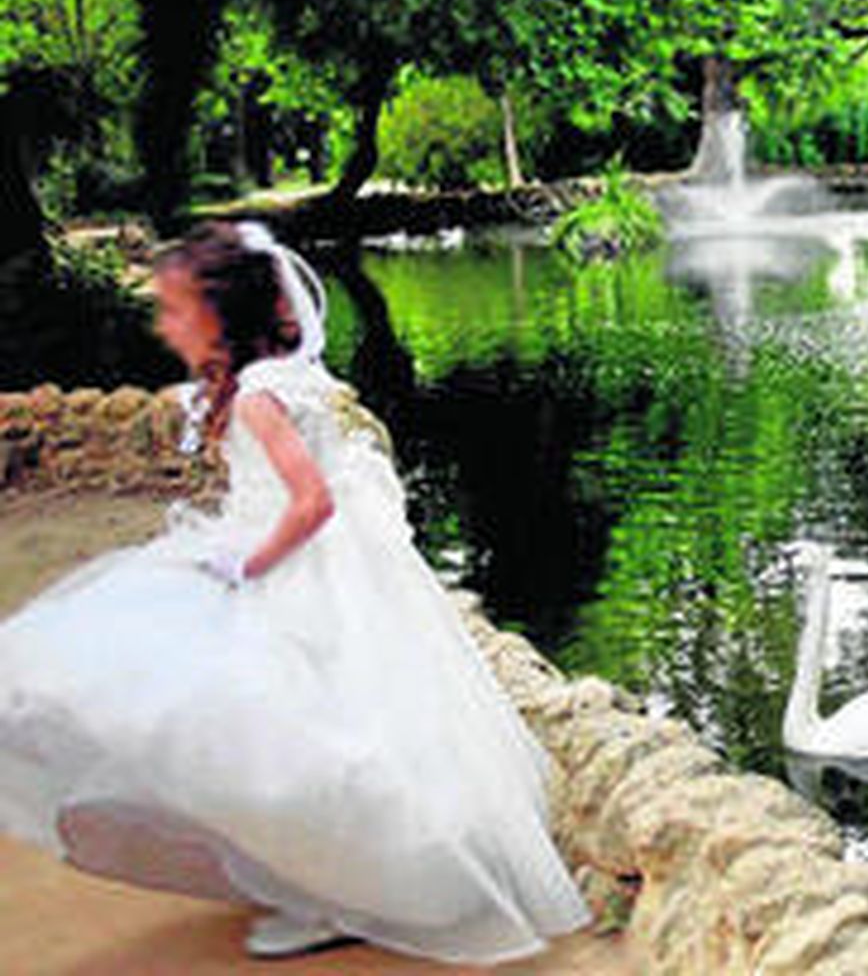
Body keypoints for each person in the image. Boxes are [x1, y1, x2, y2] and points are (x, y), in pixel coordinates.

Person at [0, 219, 592, 961]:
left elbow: (311, 501)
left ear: (221, 316)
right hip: (305, 553)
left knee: (295, 734)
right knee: (327, 724)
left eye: (176, 309)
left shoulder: (255, 397)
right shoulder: (283, 379)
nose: (164, 323)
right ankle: (333, 872)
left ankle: (340, 887)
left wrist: (244, 565)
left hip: (292, 560)